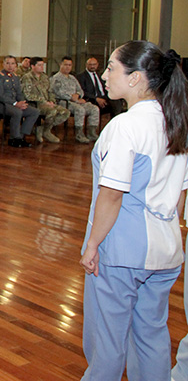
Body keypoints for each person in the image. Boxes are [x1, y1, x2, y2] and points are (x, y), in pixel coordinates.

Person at [79, 41, 188, 381]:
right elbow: (180, 195)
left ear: (137, 78)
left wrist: (93, 245)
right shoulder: (175, 123)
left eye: (112, 68)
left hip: (123, 251)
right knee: (151, 338)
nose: (106, 76)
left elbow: (111, 195)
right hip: (166, 250)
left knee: (107, 345)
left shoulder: (126, 126)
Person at [0, 55, 39, 147]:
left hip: (14, 104)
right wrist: (15, 103)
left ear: (16, 65)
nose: (10, 66)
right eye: (7, 63)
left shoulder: (15, 77)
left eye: (12, 63)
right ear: (3, 64)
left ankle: (21, 136)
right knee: (17, 112)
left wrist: (22, 103)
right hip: (0, 104)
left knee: (34, 112)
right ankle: (14, 138)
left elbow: (19, 93)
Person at [51, 56, 100, 144]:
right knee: (80, 109)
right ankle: (79, 134)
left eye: (70, 65)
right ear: (60, 65)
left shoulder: (72, 78)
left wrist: (78, 95)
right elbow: (59, 93)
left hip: (76, 101)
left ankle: (91, 132)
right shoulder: (56, 78)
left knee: (94, 108)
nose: (68, 67)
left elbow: (80, 90)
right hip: (63, 102)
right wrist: (73, 98)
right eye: (65, 65)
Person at [20, 57, 69, 144]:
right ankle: (46, 131)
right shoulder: (27, 77)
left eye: (42, 65)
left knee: (65, 112)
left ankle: (43, 129)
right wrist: (43, 101)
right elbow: (27, 95)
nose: (42, 67)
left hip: (47, 103)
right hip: (35, 104)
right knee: (52, 111)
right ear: (33, 66)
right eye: (39, 65)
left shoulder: (45, 77)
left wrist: (52, 101)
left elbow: (50, 91)